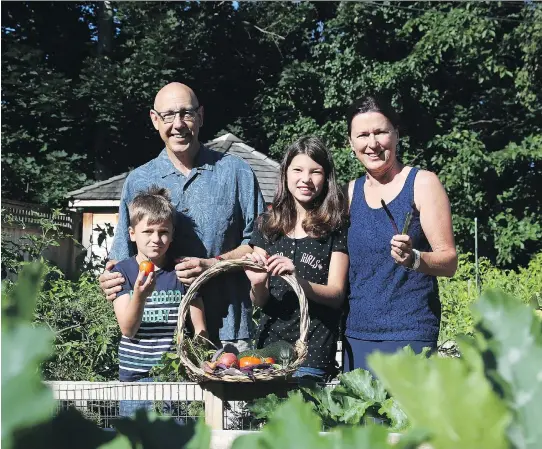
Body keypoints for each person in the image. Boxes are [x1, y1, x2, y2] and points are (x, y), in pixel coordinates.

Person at [99, 82, 265, 351]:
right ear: (155, 120)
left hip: (229, 333)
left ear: (200, 116)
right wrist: (109, 280)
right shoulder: (138, 181)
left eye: (186, 113)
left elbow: (259, 245)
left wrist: (213, 264)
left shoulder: (236, 173)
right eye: (168, 115)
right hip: (157, 339)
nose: (178, 124)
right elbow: (120, 257)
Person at [343, 94, 458, 372]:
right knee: (359, 416)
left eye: (380, 132)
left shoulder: (422, 183)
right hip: (357, 334)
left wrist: (415, 258)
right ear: (351, 143)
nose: (372, 143)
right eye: (362, 135)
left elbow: (449, 261)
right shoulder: (350, 193)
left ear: (396, 135)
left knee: (405, 416)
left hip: (409, 333)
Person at [243, 136, 349, 382]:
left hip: (313, 353)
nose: (306, 179)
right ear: (285, 173)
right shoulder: (266, 225)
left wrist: (297, 280)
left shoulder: (335, 227)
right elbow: (260, 302)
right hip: (269, 354)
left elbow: (336, 296)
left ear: (326, 178)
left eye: (316, 172)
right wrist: (258, 284)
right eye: (298, 170)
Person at [112, 186, 206, 416]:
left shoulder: (181, 271)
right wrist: (140, 297)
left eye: (163, 231)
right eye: (148, 231)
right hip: (135, 379)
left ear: (173, 234)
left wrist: (199, 360)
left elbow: (200, 329)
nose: (156, 239)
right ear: (132, 233)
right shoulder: (122, 272)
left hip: (174, 376)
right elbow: (128, 328)